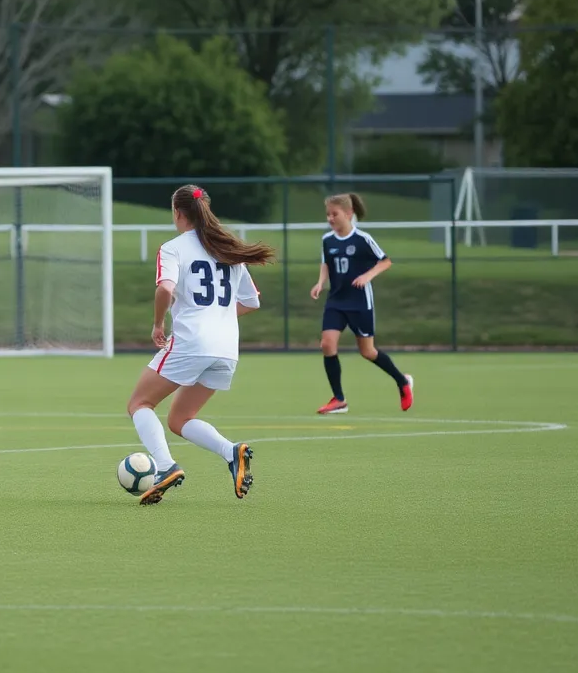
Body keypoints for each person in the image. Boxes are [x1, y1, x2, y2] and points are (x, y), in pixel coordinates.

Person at [127, 185, 274, 506]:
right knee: (180, 419)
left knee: (139, 404)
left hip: (192, 341)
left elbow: (165, 289)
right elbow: (251, 302)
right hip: (226, 349)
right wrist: (218, 316)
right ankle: (231, 452)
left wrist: (157, 324)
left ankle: (165, 467)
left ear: (177, 213)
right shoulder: (227, 248)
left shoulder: (173, 248)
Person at [309, 193, 413, 414]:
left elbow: (385, 261)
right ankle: (339, 399)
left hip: (359, 302)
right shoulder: (327, 240)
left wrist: (368, 276)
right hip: (336, 300)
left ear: (348, 214)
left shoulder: (363, 239)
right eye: (327, 214)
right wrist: (320, 283)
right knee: (327, 344)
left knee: (367, 351)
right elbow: (325, 263)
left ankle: (402, 381)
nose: (330, 218)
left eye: (334, 214)